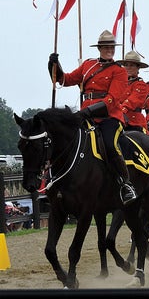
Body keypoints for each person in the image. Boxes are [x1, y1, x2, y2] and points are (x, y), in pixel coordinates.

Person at [47, 30, 136, 205]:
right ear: (100, 48)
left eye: (112, 47)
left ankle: (126, 184)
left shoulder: (119, 71)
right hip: (85, 114)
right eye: (106, 47)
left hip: (109, 117)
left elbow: (112, 100)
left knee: (110, 146)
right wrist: (53, 65)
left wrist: (87, 112)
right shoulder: (88, 65)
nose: (109, 50)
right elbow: (65, 80)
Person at [116, 50, 149, 132]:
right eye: (126, 65)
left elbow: (132, 101)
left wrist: (120, 110)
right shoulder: (119, 83)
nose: (128, 68)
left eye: (132, 65)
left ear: (138, 68)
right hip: (119, 119)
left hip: (134, 122)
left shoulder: (140, 85)